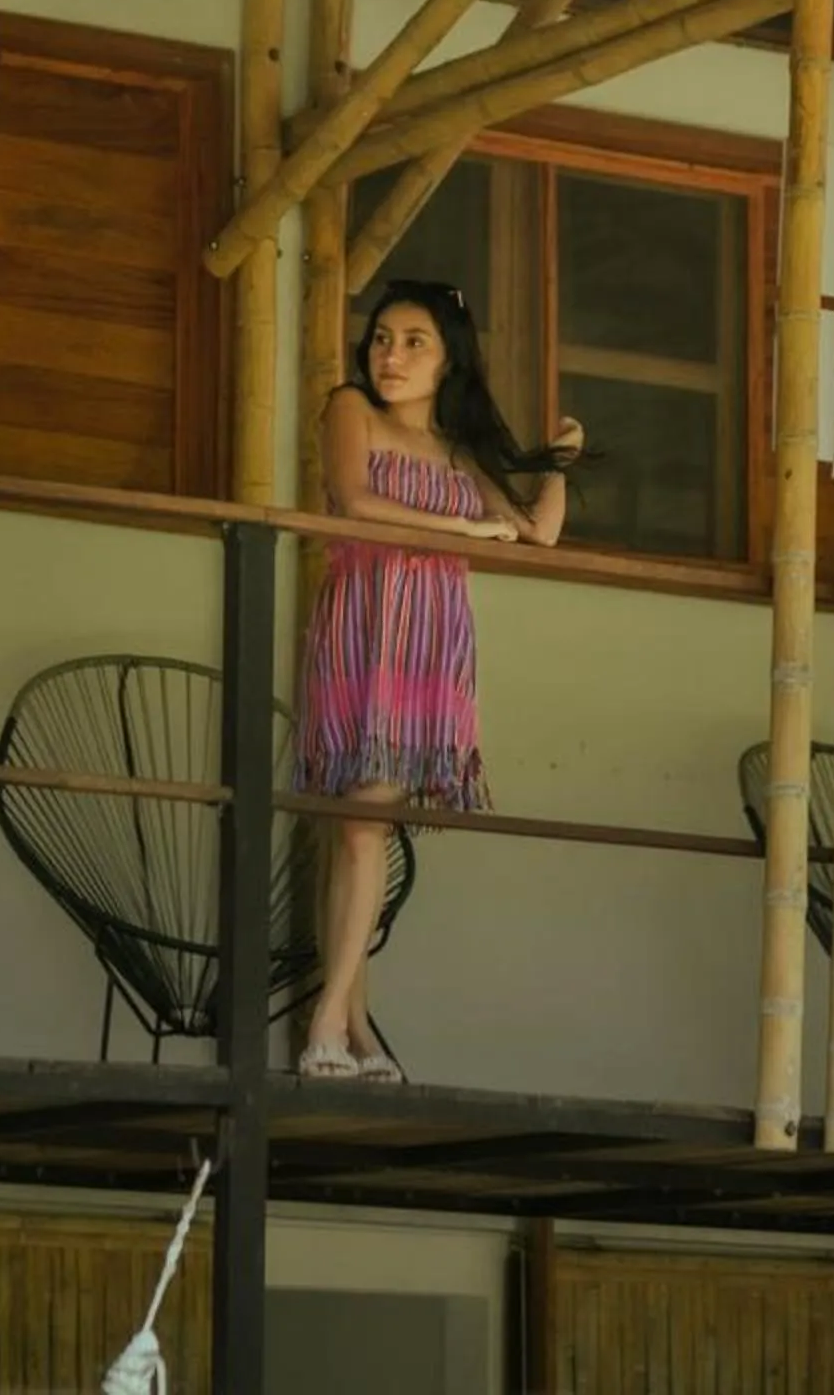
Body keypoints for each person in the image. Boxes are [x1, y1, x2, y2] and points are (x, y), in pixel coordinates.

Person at [295, 278, 582, 1082]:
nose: (391, 356)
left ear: (448, 357)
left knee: (362, 827)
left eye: (414, 341)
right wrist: (458, 526)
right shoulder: (350, 408)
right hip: (360, 633)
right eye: (383, 339)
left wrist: (560, 462)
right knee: (355, 827)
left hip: (428, 646)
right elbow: (354, 500)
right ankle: (343, 1026)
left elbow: (539, 533)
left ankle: (341, 1026)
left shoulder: (459, 450)